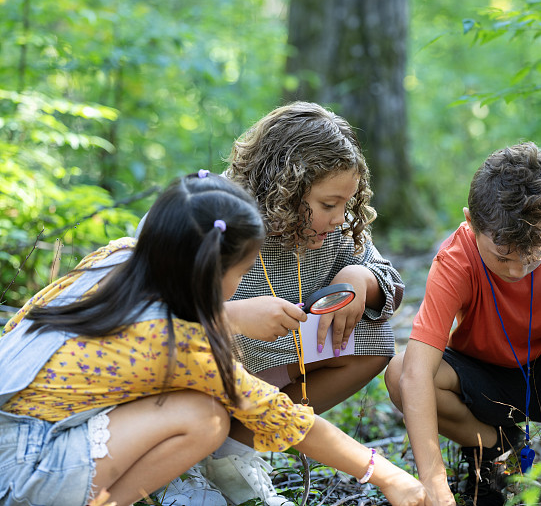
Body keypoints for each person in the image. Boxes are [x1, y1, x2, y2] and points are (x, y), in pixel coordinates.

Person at [0, 173, 427, 506]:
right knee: (205, 419)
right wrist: (389, 476)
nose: (240, 285)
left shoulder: (117, 257)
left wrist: (229, 315)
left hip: (13, 432)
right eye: (241, 275)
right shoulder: (182, 345)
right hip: (26, 467)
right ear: (209, 269)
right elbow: (281, 415)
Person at [385, 143, 541, 506]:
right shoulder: (457, 259)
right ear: (471, 222)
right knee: (399, 371)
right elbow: (416, 374)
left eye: (533, 256)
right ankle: (496, 446)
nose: (517, 270)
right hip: (485, 384)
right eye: (503, 256)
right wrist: (434, 483)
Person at [222, 101, 403, 414]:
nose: (339, 217)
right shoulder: (215, 215)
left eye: (345, 204)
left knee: (375, 337)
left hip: (279, 365)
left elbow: (391, 284)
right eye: (329, 204)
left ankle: (240, 441)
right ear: (285, 189)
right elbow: (153, 310)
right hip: (209, 369)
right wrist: (233, 314)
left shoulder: (335, 231)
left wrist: (361, 278)